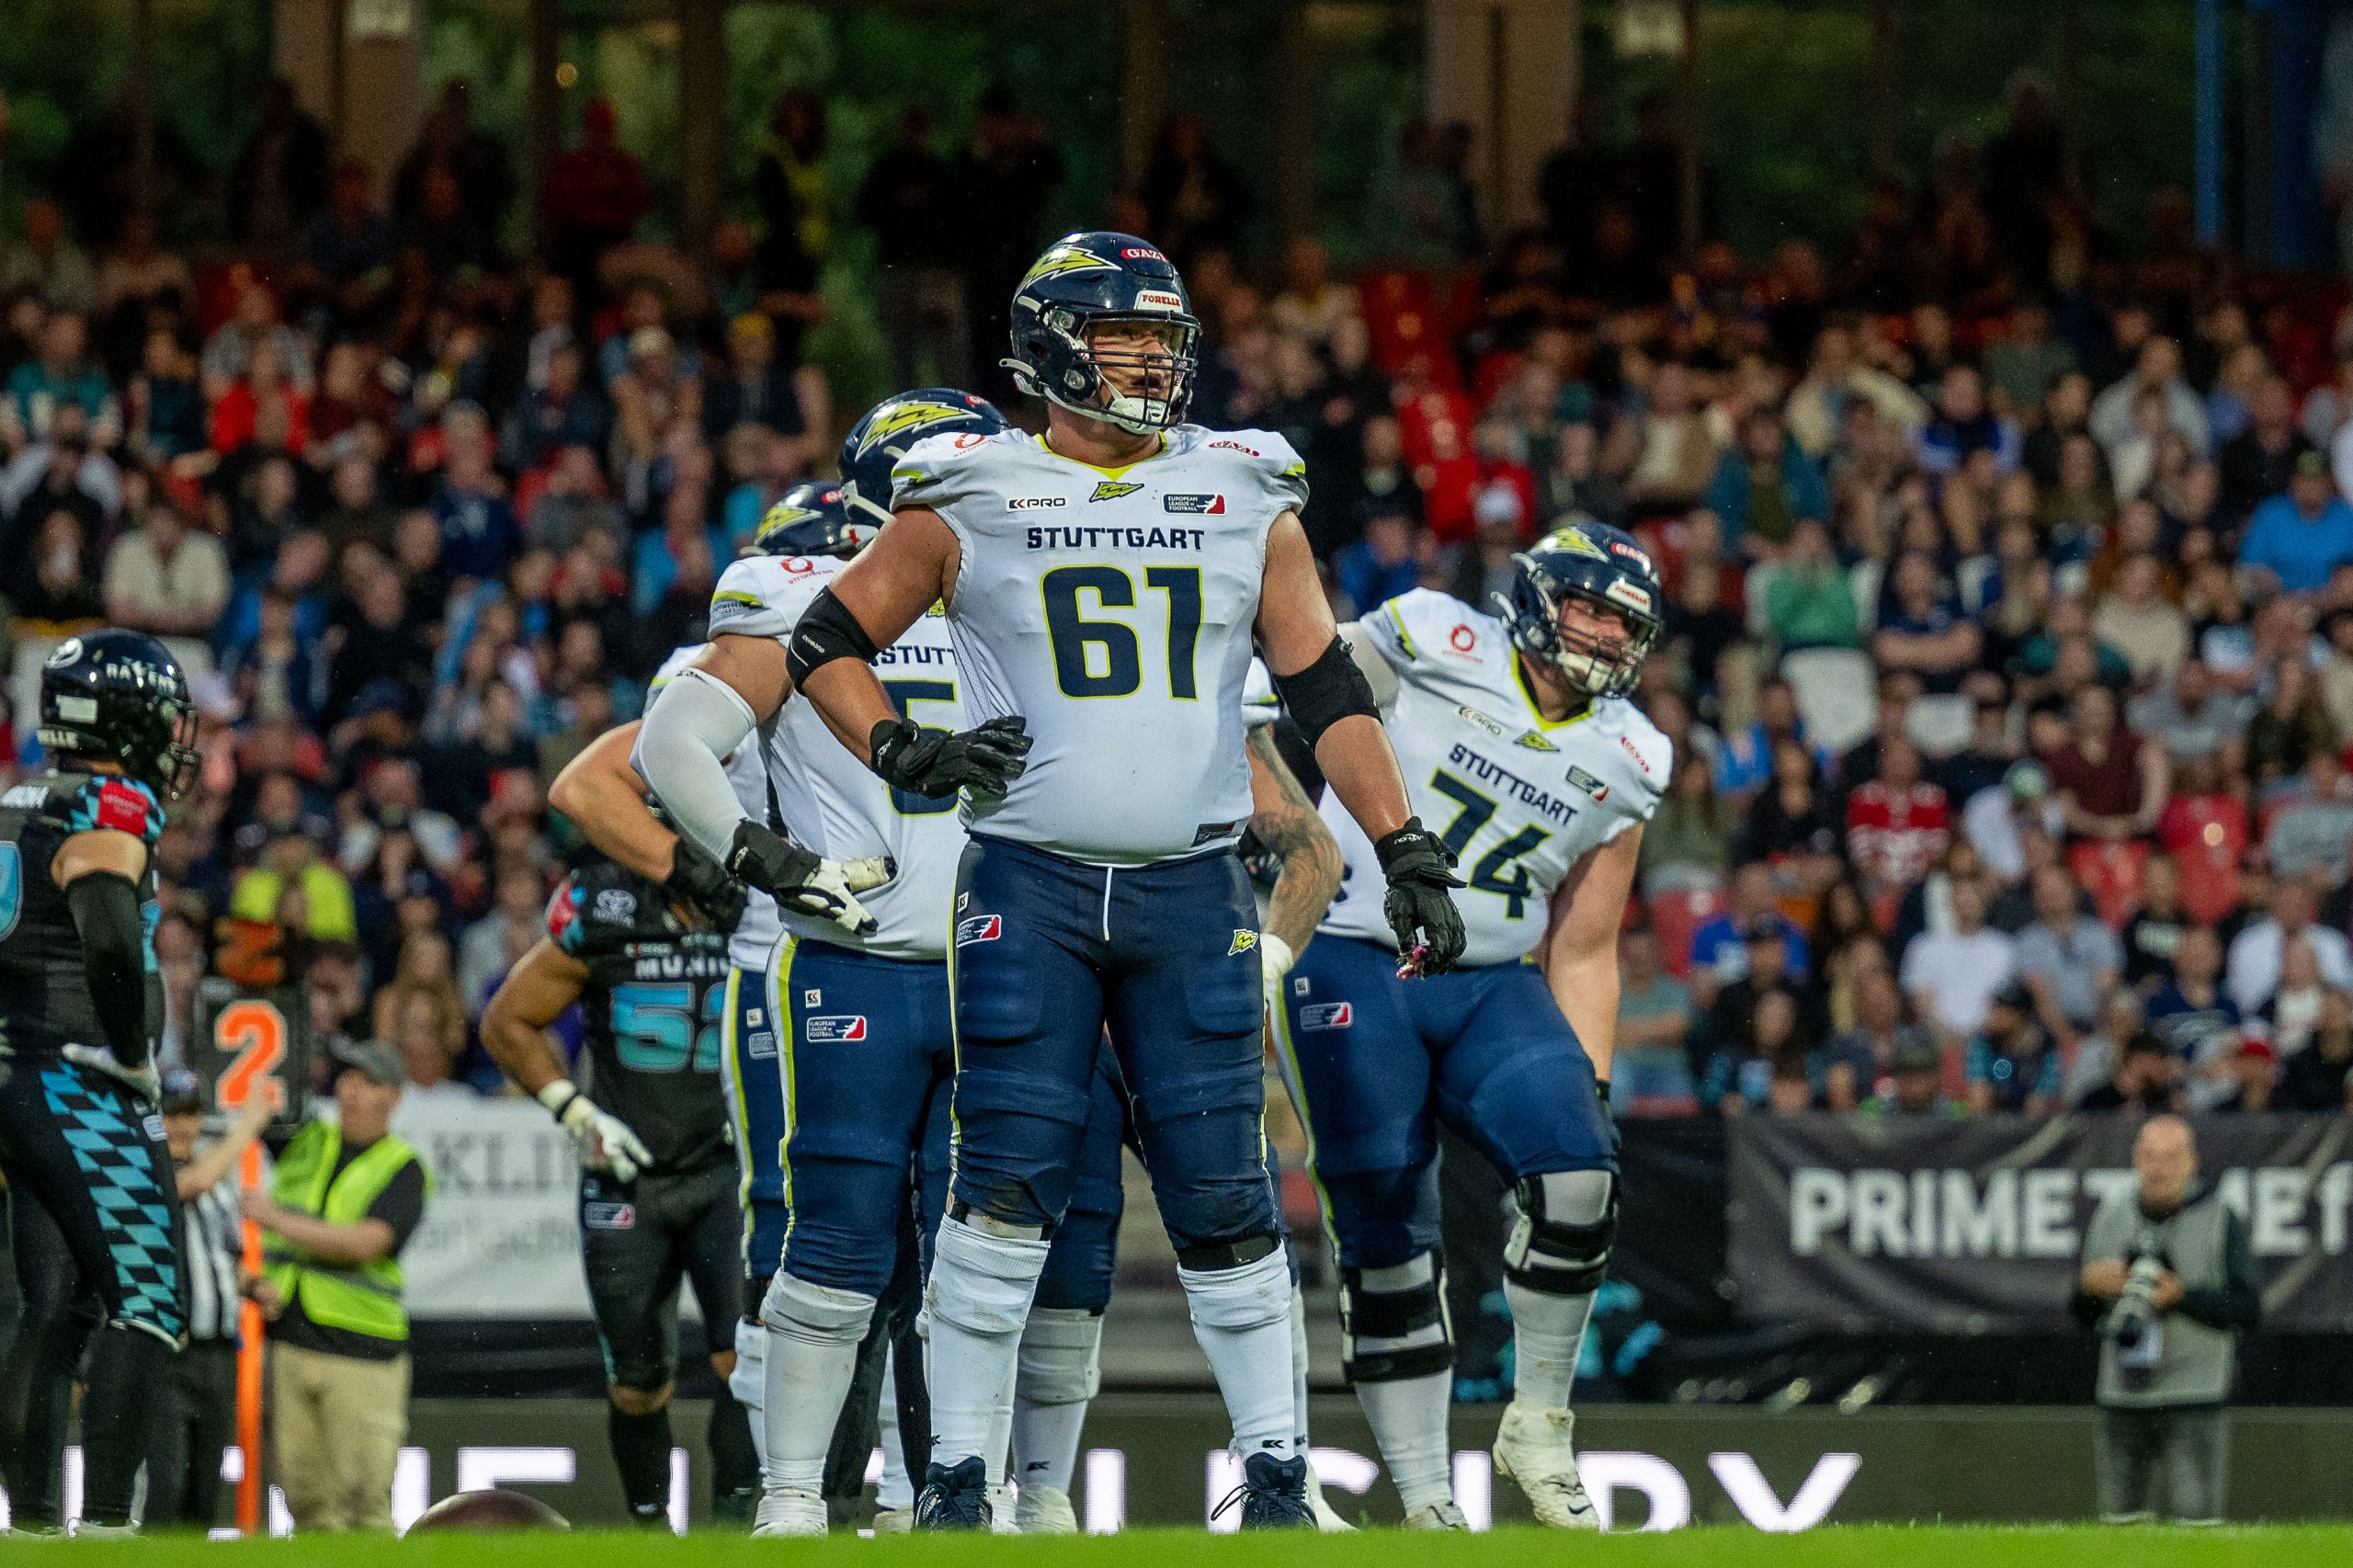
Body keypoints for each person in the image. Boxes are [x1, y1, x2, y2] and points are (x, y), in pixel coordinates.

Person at [697, 232, 1462, 1530]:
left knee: (1225, 1184)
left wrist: (1408, 845)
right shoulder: (970, 487)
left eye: (1168, 340)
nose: (1156, 363)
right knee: (1000, 1180)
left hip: (1188, 885)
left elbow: (1323, 684)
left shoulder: (1244, 486)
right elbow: (827, 637)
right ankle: (956, 1476)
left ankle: (1277, 1470)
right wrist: (899, 743)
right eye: (1127, 338)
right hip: (1032, 885)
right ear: (1053, 345)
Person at [638, 401, 1183, 1535]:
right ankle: (790, 1493)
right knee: (830, 1235)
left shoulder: (1041, 594)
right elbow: (667, 742)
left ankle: (953, 1493)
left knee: (982, 1254)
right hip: (863, 963)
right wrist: (770, 859)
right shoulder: (793, 596)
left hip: (1008, 970)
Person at [1271, 523, 1670, 1529]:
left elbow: (1584, 944)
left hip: (1493, 976)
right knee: (1386, 1227)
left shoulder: (1631, 752)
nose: (1603, 635)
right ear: (1539, 597)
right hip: (1358, 948)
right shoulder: (1429, 634)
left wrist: (1593, 1083)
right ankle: (1425, 1495)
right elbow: (1297, 705)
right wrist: (1277, 834)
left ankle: (1538, 1420)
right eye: (1589, 607)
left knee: (1580, 1171)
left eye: (1622, 622)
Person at [481, 845, 756, 1528]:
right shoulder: (612, 911)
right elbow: (505, 1020)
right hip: (626, 1177)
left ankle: (731, 1525)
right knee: (637, 1383)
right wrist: (574, 1110)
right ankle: (650, 1528)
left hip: (724, 1167)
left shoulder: (756, 897)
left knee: (742, 1358)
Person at [0, 630, 197, 1538]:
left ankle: (32, 1532)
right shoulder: (112, 799)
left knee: (49, 1313)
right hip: (82, 1080)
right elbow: (110, 929)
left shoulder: (15, 797)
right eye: (161, 716)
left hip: (21, 1073)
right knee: (150, 1305)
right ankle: (109, 1533)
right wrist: (130, 1049)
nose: (173, 735)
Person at [244, 1040, 432, 1535]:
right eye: (347, 1078)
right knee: (304, 1502)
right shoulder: (310, 1140)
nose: (351, 1092)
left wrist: (274, 1219)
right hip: (290, 1342)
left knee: (362, 1503)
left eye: (368, 1082)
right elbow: (252, 1112)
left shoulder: (404, 1167)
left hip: (362, 1352)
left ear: (393, 1097)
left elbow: (365, 1244)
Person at [2074, 1117, 2259, 1525]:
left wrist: (2183, 1298)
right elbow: (2082, 1315)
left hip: (2194, 1392)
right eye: (2150, 1157)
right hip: (2122, 1393)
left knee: (2198, 1528)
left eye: (2170, 1158)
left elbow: (2249, 1309)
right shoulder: (2111, 1213)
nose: (2158, 1168)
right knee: (2121, 1527)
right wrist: (2088, 1288)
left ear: (2191, 1163)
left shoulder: (2219, 1217)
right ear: (2135, 1159)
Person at [146, 1071, 280, 1531]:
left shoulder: (215, 1181)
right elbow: (195, 1181)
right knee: (166, 1485)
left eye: (190, 1115)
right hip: (167, 1354)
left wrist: (255, 1288)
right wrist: (248, 1124)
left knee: (205, 1491)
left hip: (220, 1354)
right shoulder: (146, 1170)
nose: (182, 1126)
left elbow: (228, 1255)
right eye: (171, 1115)